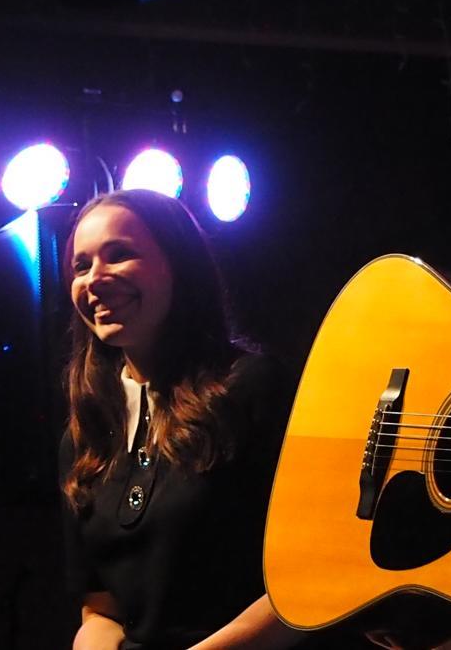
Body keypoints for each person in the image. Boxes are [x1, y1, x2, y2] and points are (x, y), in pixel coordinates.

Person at [58, 188, 299, 650]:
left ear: (178, 267)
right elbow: (100, 608)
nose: (95, 279)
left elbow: (312, 576)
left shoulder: (252, 386)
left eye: (120, 255)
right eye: (81, 266)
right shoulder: (84, 432)